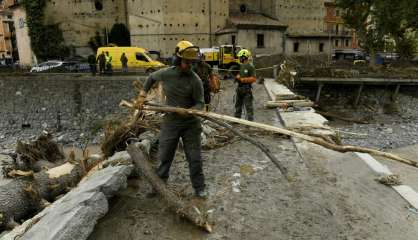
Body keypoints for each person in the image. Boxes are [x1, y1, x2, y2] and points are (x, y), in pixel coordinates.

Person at [137, 40, 207, 198]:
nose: (189, 65)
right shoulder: (167, 73)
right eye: (186, 62)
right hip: (171, 122)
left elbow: (200, 104)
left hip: (191, 124)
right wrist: (142, 94)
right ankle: (159, 185)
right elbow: (150, 78)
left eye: (192, 63)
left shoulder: (195, 81)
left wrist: (190, 111)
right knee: (164, 155)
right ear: (177, 59)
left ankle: (199, 187)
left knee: (194, 158)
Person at [234, 49, 256, 121]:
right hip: (239, 88)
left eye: (240, 57)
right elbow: (238, 75)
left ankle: (250, 120)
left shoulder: (250, 66)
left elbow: (253, 79)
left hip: (246, 89)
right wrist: (236, 77)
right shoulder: (240, 66)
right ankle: (237, 119)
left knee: (248, 106)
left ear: (244, 57)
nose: (239, 59)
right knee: (237, 105)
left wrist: (242, 79)